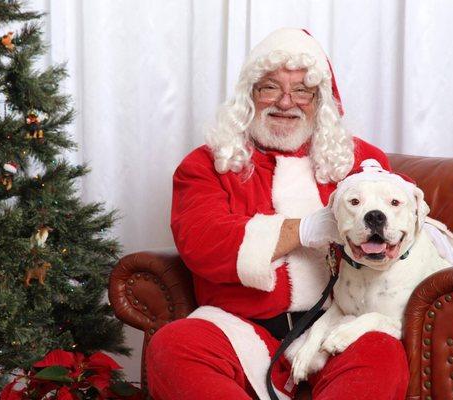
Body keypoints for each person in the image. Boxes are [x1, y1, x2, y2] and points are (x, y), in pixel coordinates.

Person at [146, 28, 408, 400]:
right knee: (173, 345)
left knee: (381, 350)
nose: (286, 102)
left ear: (321, 101)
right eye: (270, 87)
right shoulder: (206, 163)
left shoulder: (362, 163)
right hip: (241, 329)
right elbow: (203, 241)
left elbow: (407, 222)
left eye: (302, 90)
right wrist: (302, 230)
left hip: (335, 327)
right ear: (249, 95)